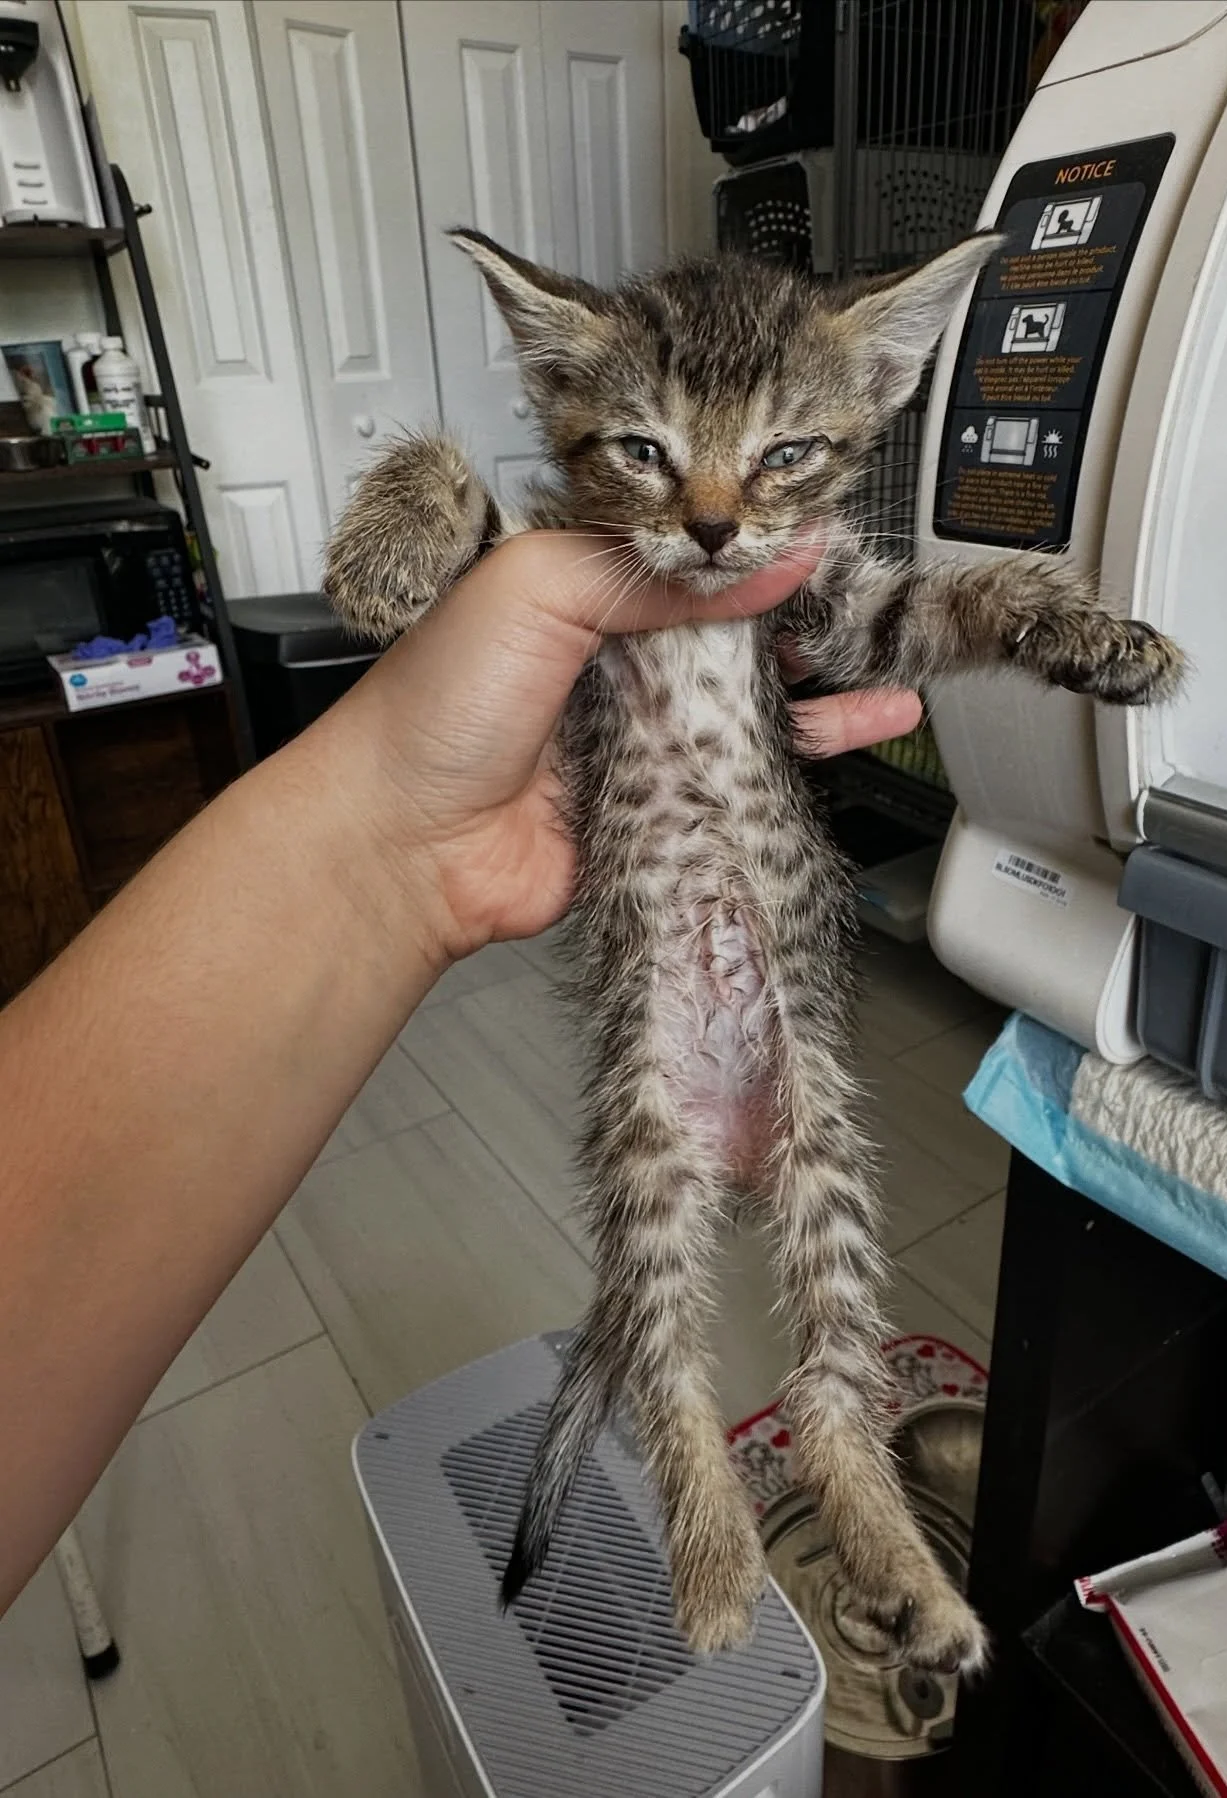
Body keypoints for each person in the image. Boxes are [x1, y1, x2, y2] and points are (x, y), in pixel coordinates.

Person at [0, 528, 922, 1615]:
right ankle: (697, 1503)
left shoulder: (780, 560)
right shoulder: (581, 560)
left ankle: (849, 1455)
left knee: (827, 1241)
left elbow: (898, 618)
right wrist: (433, 522)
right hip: (659, 981)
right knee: (661, 1284)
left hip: (770, 962)